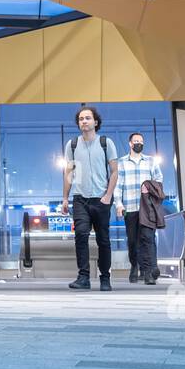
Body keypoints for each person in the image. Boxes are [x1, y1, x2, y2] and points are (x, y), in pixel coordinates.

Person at [59, 105, 119, 291]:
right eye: (81, 119)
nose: (84, 121)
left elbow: (115, 171)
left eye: (87, 118)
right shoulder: (72, 145)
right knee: (81, 235)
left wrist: (108, 196)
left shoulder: (105, 142)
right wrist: (65, 198)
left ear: (96, 122)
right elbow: (69, 172)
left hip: (101, 199)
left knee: (104, 239)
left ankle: (105, 278)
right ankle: (83, 277)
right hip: (80, 199)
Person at [115, 131, 166, 284]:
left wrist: (149, 187)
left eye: (141, 141)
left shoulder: (151, 161)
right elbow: (118, 185)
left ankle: (149, 271)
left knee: (147, 238)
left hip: (147, 208)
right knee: (132, 241)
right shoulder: (122, 162)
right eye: (136, 141)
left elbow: (159, 180)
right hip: (130, 208)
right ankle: (134, 266)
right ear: (130, 144)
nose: (139, 143)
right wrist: (118, 204)